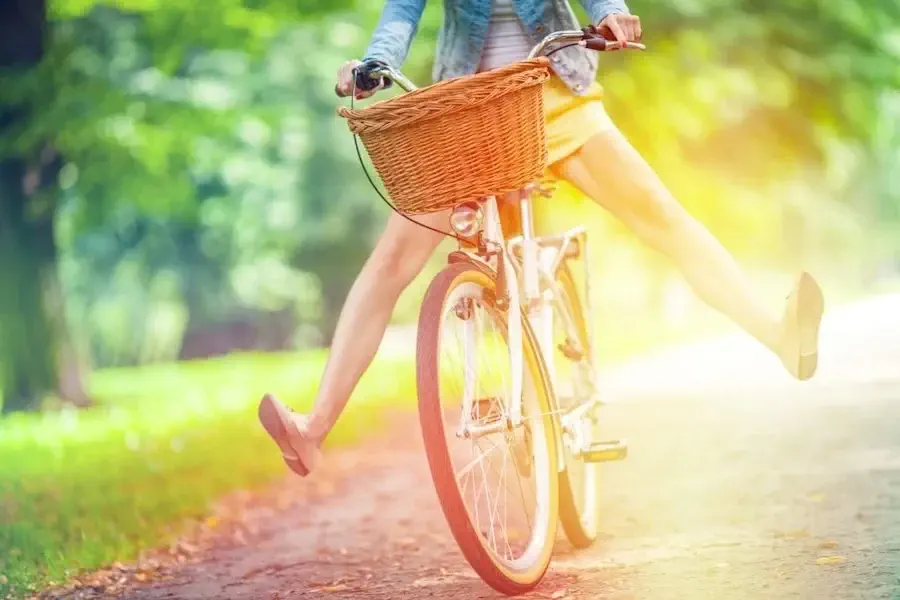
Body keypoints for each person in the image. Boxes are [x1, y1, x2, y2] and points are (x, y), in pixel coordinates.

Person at [258, 0, 825, 477]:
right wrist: (375, 65)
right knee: (390, 263)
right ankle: (314, 428)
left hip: (555, 94)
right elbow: (401, 12)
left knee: (662, 217)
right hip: (468, 108)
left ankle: (776, 335)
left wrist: (612, 13)